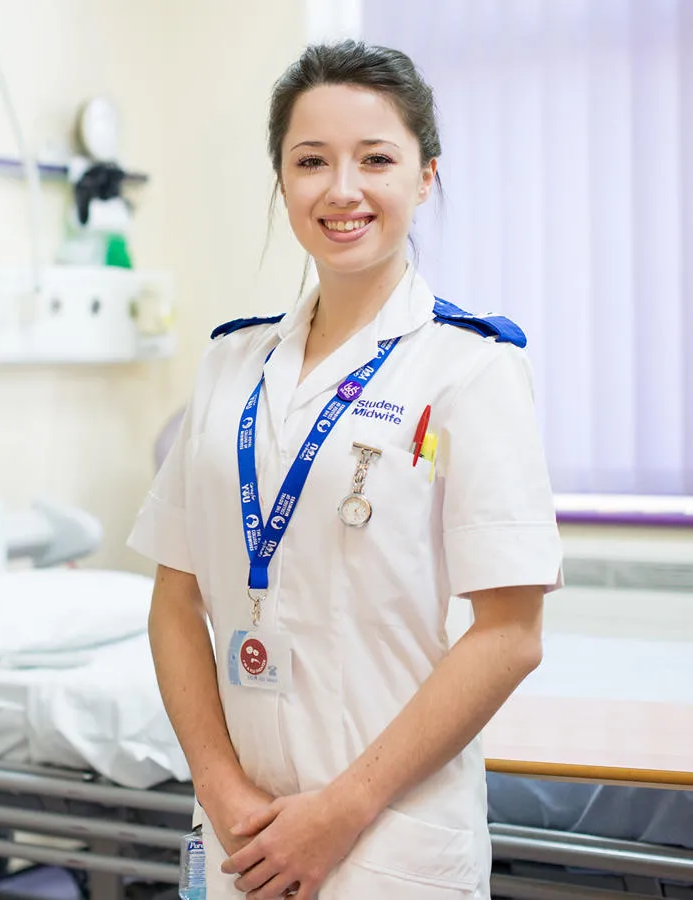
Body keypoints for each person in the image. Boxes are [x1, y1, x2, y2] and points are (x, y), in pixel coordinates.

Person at [128, 40, 562, 900]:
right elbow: (176, 602)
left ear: (425, 176)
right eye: (311, 161)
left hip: (387, 840)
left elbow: (511, 636)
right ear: (282, 181)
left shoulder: (471, 368)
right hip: (239, 835)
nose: (342, 189)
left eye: (376, 159)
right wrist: (220, 789)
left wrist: (340, 811)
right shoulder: (230, 364)